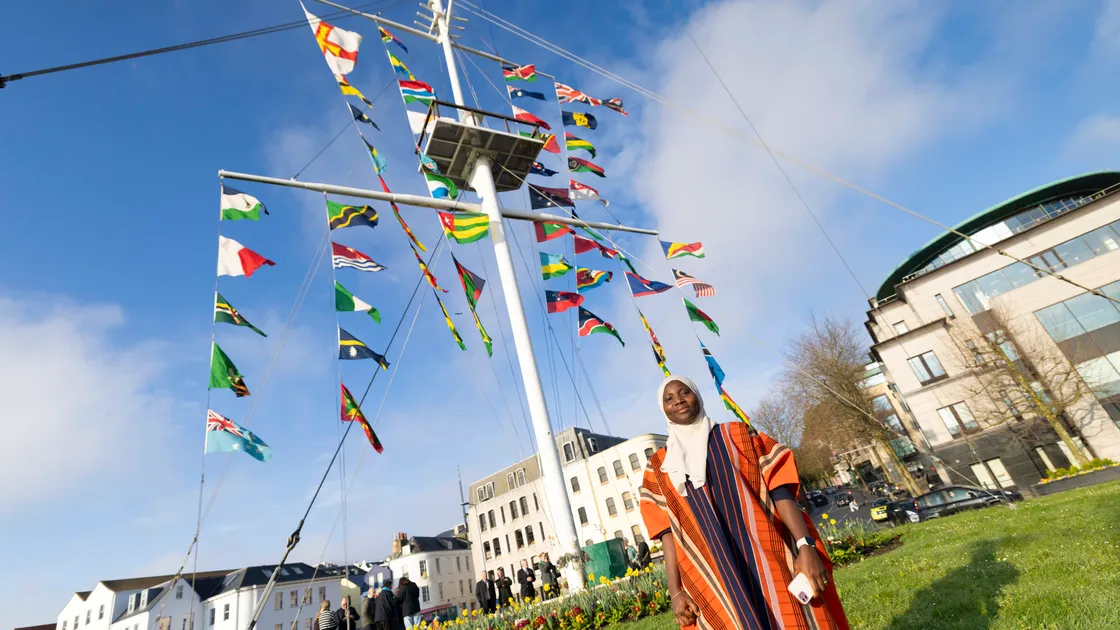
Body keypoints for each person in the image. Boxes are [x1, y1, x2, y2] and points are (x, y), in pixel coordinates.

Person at [641, 376, 849, 629]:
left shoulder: (740, 436)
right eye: (669, 398)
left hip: (770, 558)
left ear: (697, 395)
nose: (679, 401)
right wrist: (675, 592)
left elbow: (780, 492)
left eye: (685, 392)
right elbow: (668, 536)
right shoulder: (659, 469)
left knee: (796, 620)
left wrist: (805, 546)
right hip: (714, 579)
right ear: (662, 409)